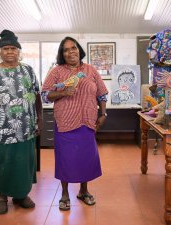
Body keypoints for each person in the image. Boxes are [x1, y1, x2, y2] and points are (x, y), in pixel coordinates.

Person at [41, 37, 108, 211]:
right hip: (65, 122)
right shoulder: (57, 71)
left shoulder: (90, 70)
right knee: (65, 158)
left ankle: (83, 191)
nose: (71, 52)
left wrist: (103, 114)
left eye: (74, 48)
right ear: (62, 54)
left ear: (79, 50)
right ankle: (64, 194)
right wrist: (62, 92)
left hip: (87, 122)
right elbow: (45, 95)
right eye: (66, 49)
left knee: (86, 157)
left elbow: (101, 94)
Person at [0, 30, 43, 214]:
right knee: (3, 161)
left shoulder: (28, 70)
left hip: (26, 127)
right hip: (1, 129)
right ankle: (1, 195)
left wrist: (40, 118)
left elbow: (37, 95)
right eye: (6, 48)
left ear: (18, 51)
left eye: (13, 48)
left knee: (24, 162)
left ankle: (21, 194)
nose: (10, 52)